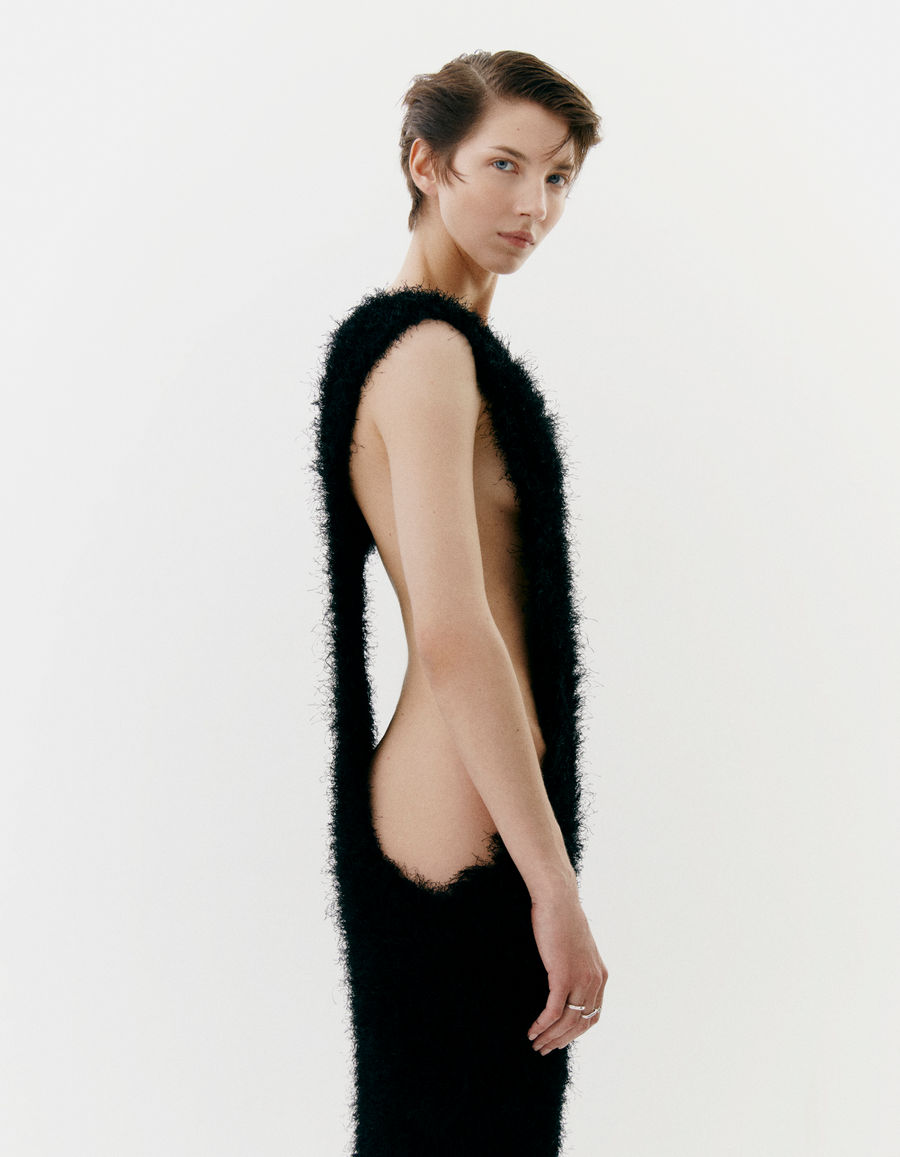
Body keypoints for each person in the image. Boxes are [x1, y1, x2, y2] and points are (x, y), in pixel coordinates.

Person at [313, 49, 608, 1156]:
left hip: (469, 784)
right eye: (505, 164)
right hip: (462, 802)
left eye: (559, 176)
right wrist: (555, 887)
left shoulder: (430, 344)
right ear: (426, 163)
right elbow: (449, 624)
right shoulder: (428, 350)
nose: (534, 204)